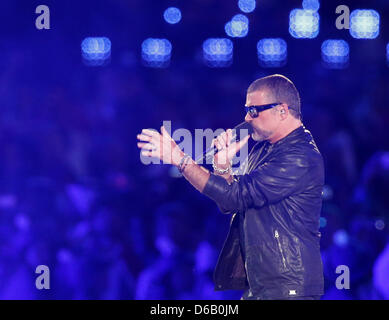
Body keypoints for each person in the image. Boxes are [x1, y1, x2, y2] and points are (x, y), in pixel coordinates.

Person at [137, 74, 325, 300]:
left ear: (282, 111)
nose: (247, 118)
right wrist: (222, 165)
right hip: (264, 283)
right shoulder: (265, 149)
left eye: (254, 111)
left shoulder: (299, 157)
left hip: (288, 287)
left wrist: (179, 159)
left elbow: (233, 197)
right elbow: (230, 204)